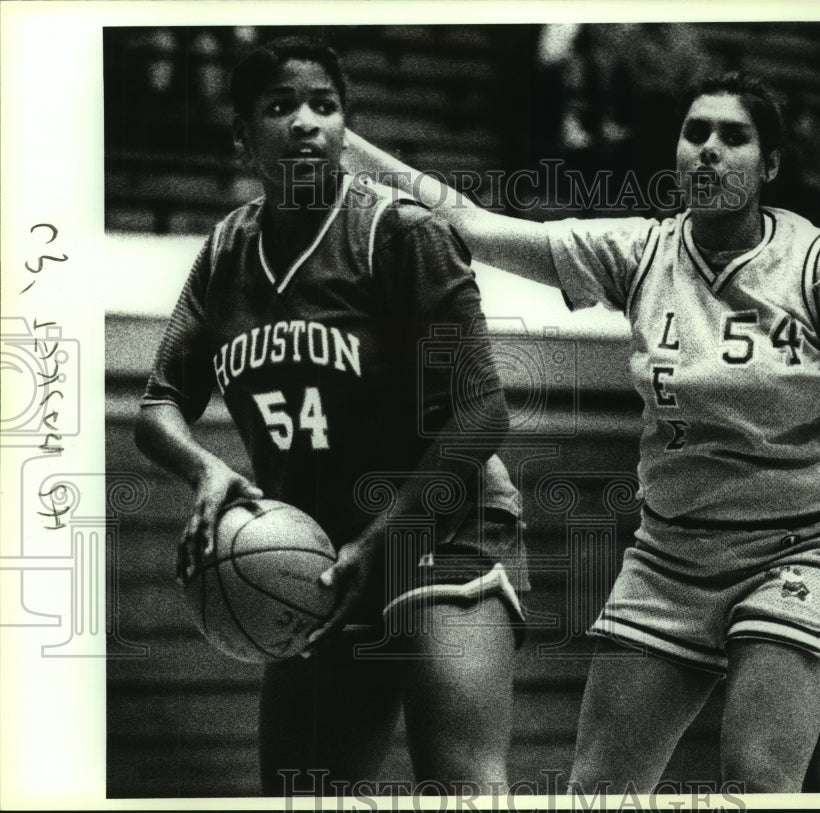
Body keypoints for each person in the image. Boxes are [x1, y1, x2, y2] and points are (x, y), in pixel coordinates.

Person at [343, 71, 820, 793]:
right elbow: (471, 225)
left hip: (799, 547)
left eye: (733, 137)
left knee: (755, 784)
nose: (709, 150)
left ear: (769, 166)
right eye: (696, 133)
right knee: (597, 792)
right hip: (670, 554)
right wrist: (339, 140)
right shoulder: (642, 252)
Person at [134, 36, 529, 795]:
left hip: (436, 523)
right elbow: (158, 406)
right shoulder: (225, 253)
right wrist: (206, 467)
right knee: (303, 789)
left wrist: (385, 535)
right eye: (281, 107)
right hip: (319, 549)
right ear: (246, 137)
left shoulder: (400, 234)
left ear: (347, 124)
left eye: (326, 104)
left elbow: (483, 411)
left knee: (462, 786)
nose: (308, 122)